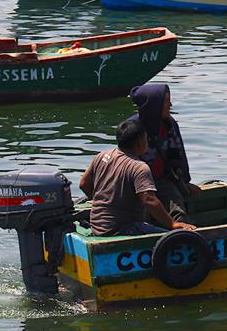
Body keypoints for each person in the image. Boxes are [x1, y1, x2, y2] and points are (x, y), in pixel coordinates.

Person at [80, 120, 196, 236]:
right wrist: (172, 224)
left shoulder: (102, 156)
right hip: (121, 229)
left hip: (96, 227)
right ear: (139, 144)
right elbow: (149, 200)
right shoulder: (139, 167)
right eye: (145, 139)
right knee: (176, 237)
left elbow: (83, 184)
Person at [127, 84, 200, 227]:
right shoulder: (133, 127)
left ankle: (183, 234)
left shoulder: (169, 124)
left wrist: (185, 181)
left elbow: (179, 153)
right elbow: (124, 160)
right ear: (154, 104)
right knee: (142, 214)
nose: (170, 105)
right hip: (136, 183)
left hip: (161, 179)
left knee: (177, 208)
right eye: (166, 101)